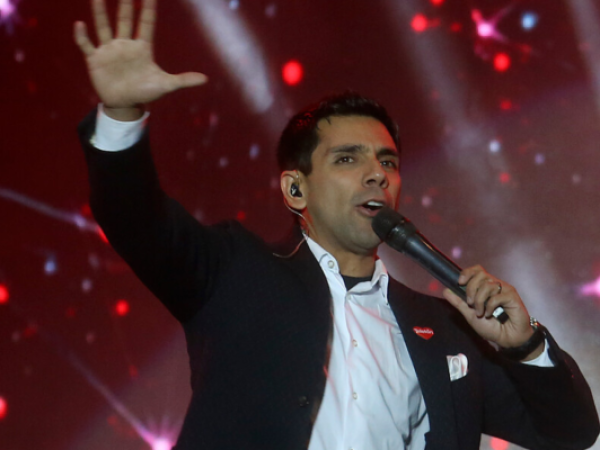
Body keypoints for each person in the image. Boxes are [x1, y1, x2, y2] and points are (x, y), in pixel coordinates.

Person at [74, 0, 599, 449]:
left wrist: (526, 346)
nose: (376, 174)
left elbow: (570, 434)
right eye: (347, 159)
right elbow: (134, 218)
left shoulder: (445, 327)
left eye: (387, 162)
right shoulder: (237, 274)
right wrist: (121, 115)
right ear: (295, 189)